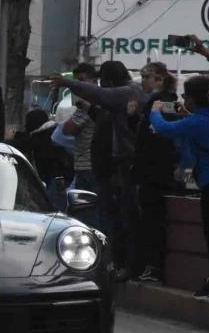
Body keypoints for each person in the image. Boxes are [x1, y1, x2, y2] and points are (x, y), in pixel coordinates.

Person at [52, 61, 148, 281]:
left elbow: (99, 94)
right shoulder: (123, 96)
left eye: (103, 79)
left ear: (110, 80)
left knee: (124, 219)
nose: (101, 84)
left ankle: (127, 265)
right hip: (112, 166)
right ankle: (116, 263)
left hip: (125, 166)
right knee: (113, 218)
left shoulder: (128, 92)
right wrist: (90, 109)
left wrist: (67, 82)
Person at [149, 75, 209, 298]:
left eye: (186, 96)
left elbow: (163, 128)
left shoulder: (195, 122)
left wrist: (155, 109)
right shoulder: (199, 119)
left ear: (193, 99)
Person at [133, 62, 179, 284]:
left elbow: (154, 139)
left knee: (152, 221)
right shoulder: (157, 101)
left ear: (159, 79)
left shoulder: (160, 102)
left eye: (147, 77)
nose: (143, 81)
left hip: (154, 172)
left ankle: (154, 267)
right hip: (153, 171)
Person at [62, 64, 99, 224]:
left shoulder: (89, 104)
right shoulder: (89, 103)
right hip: (86, 164)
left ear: (94, 81)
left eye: (82, 81)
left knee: (86, 214)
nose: (78, 85)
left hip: (89, 165)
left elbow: (68, 128)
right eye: (76, 81)